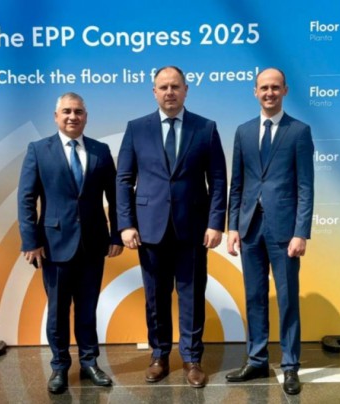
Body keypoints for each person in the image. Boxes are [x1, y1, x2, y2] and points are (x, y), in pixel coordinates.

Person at [116, 66, 227, 388]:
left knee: (192, 296)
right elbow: (124, 179)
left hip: (192, 229)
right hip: (149, 229)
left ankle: (192, 359)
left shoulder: (206, 128)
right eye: (163, 87)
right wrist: (126, 224)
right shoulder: (136, 128)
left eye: (175, 86)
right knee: (156, 297)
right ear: (154, 92)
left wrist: (215, 223)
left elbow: (218, 180)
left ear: (186, 90)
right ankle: (159, 355)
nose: (169, 92)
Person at [17, 92, 123, 395]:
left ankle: (90, 363)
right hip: (53, 245)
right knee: (58, 311)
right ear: (56, 117)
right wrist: (31, 241)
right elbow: (26, 198)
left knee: (88, 309)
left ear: (86, 117)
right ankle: (60, 366)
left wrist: (116, 235)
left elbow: (115, 196)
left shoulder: (101, 151)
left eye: (78, 111)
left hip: (93, 244)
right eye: (66, 111)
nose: (72, 116)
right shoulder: (38, 150)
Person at [224, 68, 314, 395]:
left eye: (275, 87)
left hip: (285, 231)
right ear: (255, 91)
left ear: (285, 90)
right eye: (264, 87)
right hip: (249, 228)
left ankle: (290, 366)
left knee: (287, 299)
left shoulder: (299, 131)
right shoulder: (243, 132)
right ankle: (257, 360)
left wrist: (301, 232)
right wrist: (232, 226)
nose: (269, 93)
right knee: (254, 297)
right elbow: (237, 184)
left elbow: (305, 187)